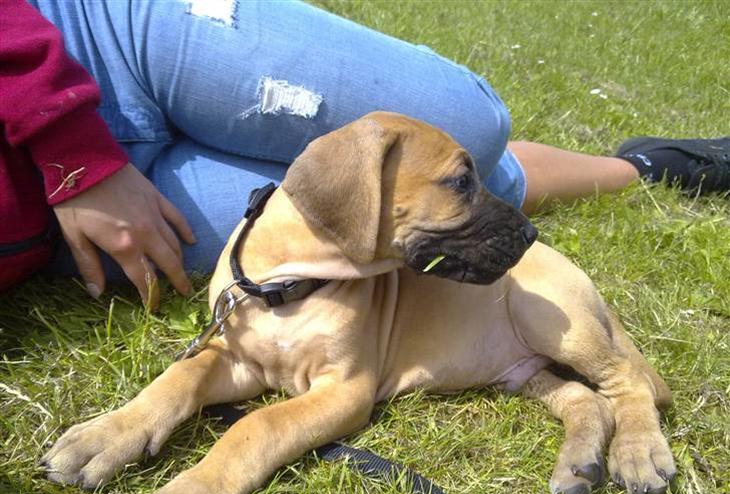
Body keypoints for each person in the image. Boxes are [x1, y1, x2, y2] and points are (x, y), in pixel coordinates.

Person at [2, 0, 728, 307]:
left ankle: (641, 165)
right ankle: (645, 166)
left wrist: (71, 151)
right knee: (426, 205)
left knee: (465, 128)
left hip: (95, 39)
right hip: (56, 230)